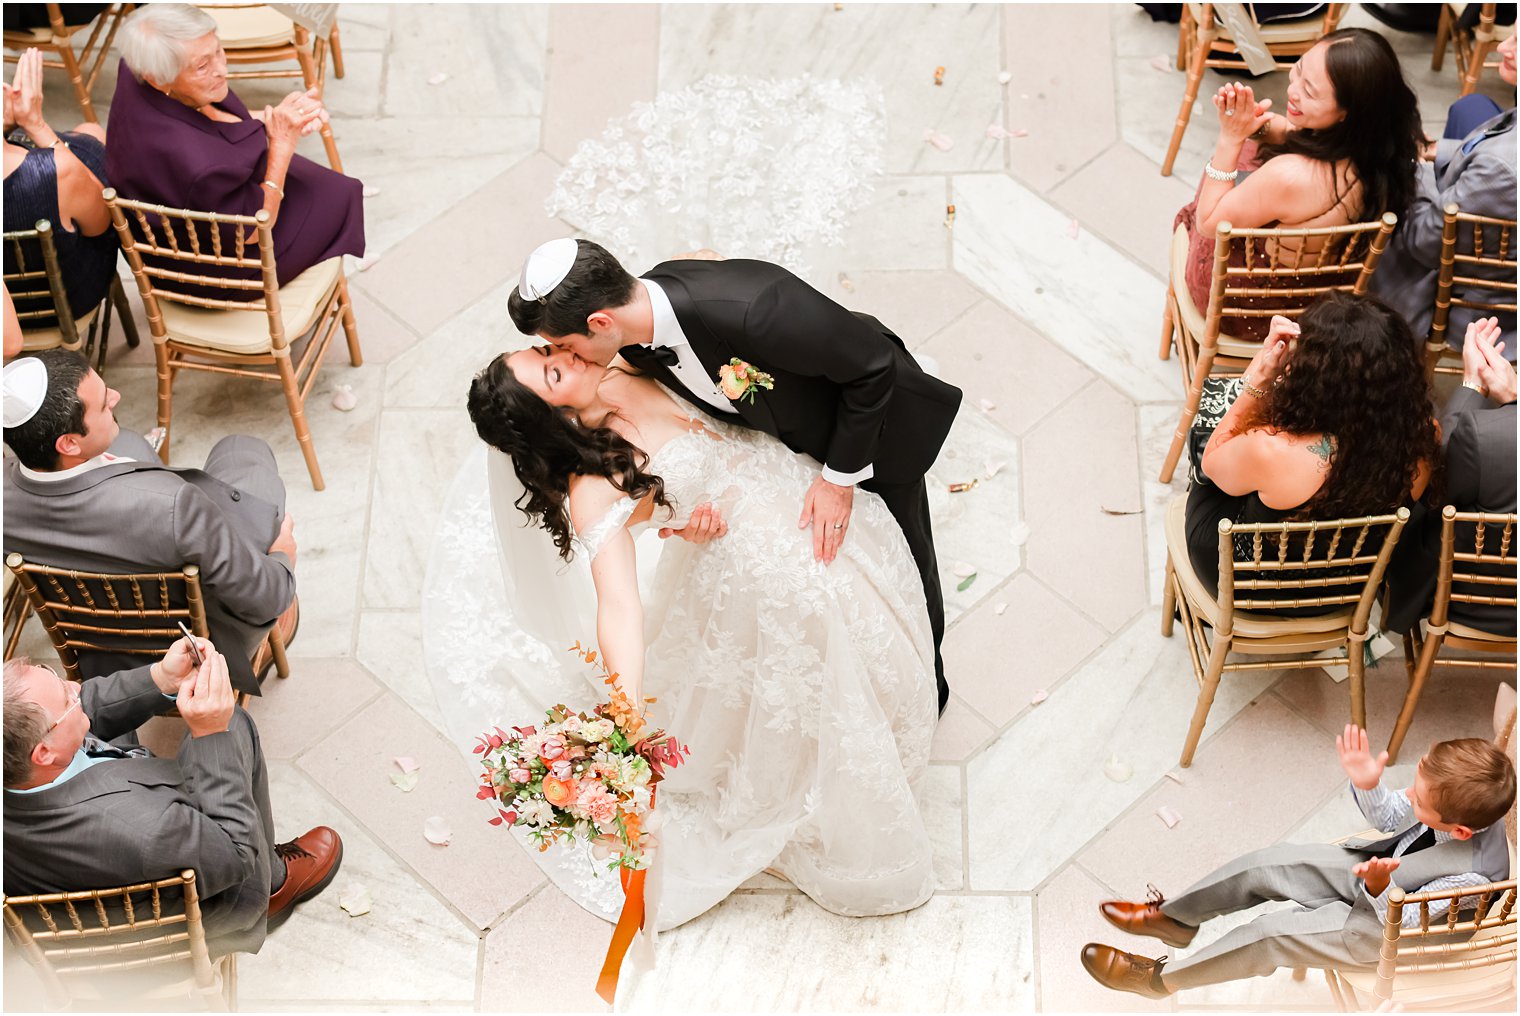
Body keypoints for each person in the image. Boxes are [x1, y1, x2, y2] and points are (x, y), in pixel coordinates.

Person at [466, 330, 939, 929]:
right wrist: (627, 721)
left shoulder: (617, 359)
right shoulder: (596, 484)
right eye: (553, 373)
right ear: (552, 419)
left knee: (877, 639)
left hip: (803, 491)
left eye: (546, 354)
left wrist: (680, 517)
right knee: (824, 664)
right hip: (765, 580)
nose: (564, 355)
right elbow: (618, 606)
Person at [506, 238, 962, 712]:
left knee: (908, 558)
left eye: (562, 345)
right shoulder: (633, 339)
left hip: (875, 428)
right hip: (788, 455)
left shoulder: (752, 307)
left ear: (600, 323)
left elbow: (872, 369)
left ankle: (931, 687)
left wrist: (838, 480)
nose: (567, 357)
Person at [1081, 726, 1514, 997]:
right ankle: (1176, 920)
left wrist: (1380, 888)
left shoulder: (1471, 876)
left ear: (1459, 832)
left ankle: (1160, 981)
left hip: (1384, 928)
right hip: (1377, 873)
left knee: (1269, 935)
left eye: (1417, 799)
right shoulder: (1446, 795)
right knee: (1268, 864)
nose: (1410, 796)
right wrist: (1367, 784)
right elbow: (1388, 817)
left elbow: (1397, 923)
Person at [2, 640, 341, 957]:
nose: (76, 687)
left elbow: (82, 704)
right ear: (44, 754)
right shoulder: (145, 829)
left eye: (57, 678)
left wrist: (162, 678)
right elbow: (234, 853)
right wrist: (211, 732)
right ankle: (273, 886)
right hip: (196, 911)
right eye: (66, 697)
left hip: (73, 864)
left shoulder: (19, 753)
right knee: (232, 726)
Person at [2, 350, 297, 696]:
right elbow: (265, 598)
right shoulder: (174, 506)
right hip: (192, 645)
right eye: (103, 404)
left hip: (98, 649)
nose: (116, 396)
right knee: (243, 451)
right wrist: (281, 555)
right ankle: (259, 651)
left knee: (128, 440)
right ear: (68, 443)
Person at [1186, 293, 1437, 607]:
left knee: (1206, 430)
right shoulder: (1423, 440)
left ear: (1318, 380)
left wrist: (1261, 374)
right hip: (1341, 592)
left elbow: (1210, 461)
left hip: (1246, 585)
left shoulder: (1272, 450)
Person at [1173, 27, 1422, 340]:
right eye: (1299, 70)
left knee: (1231, 164)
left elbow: (1209, 223)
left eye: (1311, 92)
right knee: (1252, 147)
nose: (1293, 91)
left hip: (1248, 310)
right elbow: (1291, 131)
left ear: (1347, 112)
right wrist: (1255, 125)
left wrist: (1229, 138)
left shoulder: (1290, 176)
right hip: (1319, 290)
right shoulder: (1379, 147)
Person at [103, 3, 363, 302]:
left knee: (317, 182)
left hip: (180, 209)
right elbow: (254, 230)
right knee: (340, 194)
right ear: (157, 78)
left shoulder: (136, 63)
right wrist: (281, 143)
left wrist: (276, 118)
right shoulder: (199, 164)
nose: (222, 69)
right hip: (217, 270)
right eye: (203, 66)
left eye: (219, 51)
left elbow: (213, 116)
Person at [1372, 33, 1516, 358]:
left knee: (1373, 221)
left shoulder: (1501, 169)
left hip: (1481, 297)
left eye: (1518, 42)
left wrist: (1413, 165)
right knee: (1471, 106)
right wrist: (1437, 151)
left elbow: (1424, 242)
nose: (1502, 47)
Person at [1383, 316, 1518, 637]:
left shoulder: (1486, 437)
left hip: (1472, 602)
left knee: (1411, 510)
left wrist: (1472, 384)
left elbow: (1437, 488)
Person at [3, 47, 119, 327]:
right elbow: (101, 224)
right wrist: (35, 123)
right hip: (64, 302)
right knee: (93, 146)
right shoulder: (54, 172)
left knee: (87, 138)